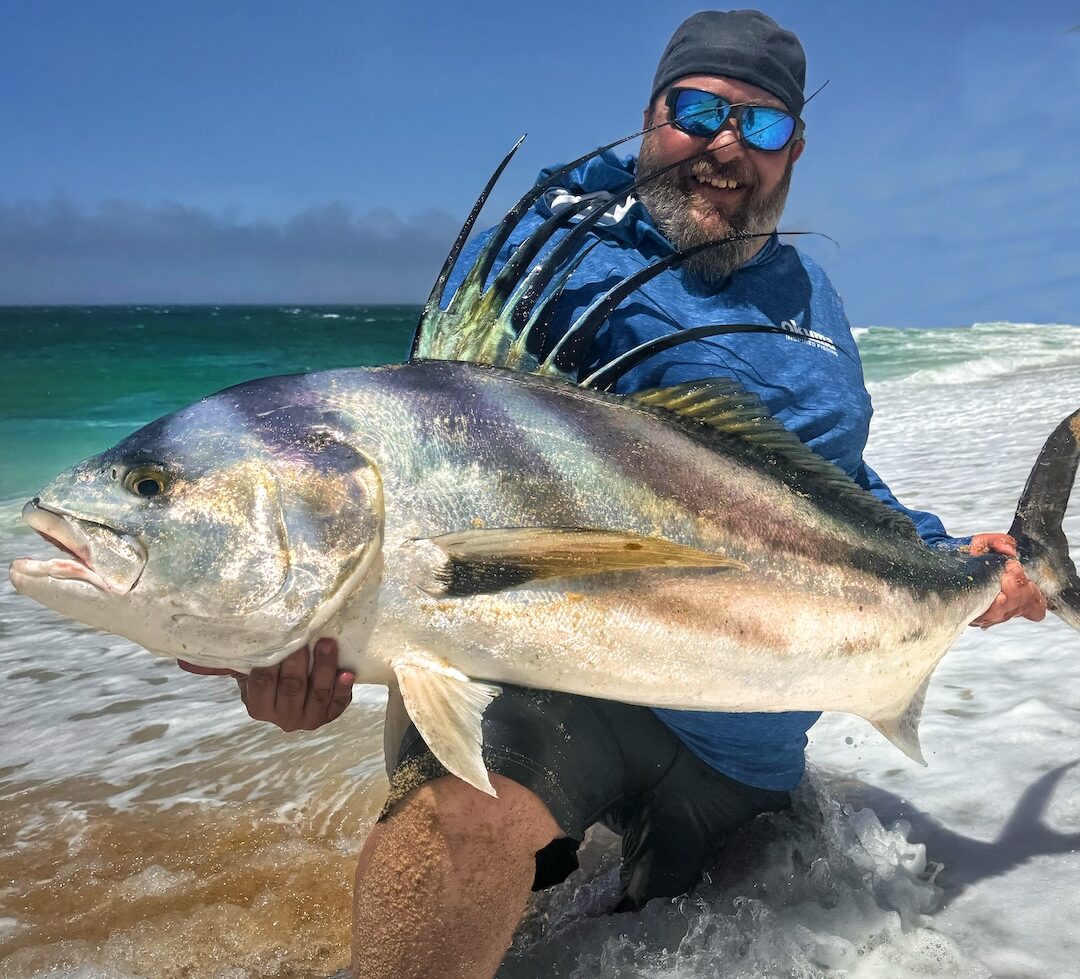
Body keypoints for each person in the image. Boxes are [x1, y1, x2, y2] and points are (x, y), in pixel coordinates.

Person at [186, 10, 1046, 977]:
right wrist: (284, 634)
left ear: (794, 149)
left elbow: (828, 485)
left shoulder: (813, 306)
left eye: (761, 126)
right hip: (563, 689)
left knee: (726, 917)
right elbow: (429, 463)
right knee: (458, 819)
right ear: (649, 117)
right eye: (698, 110)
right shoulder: (549, 263)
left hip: (744, 736)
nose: (726, 146)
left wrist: (954, 557)